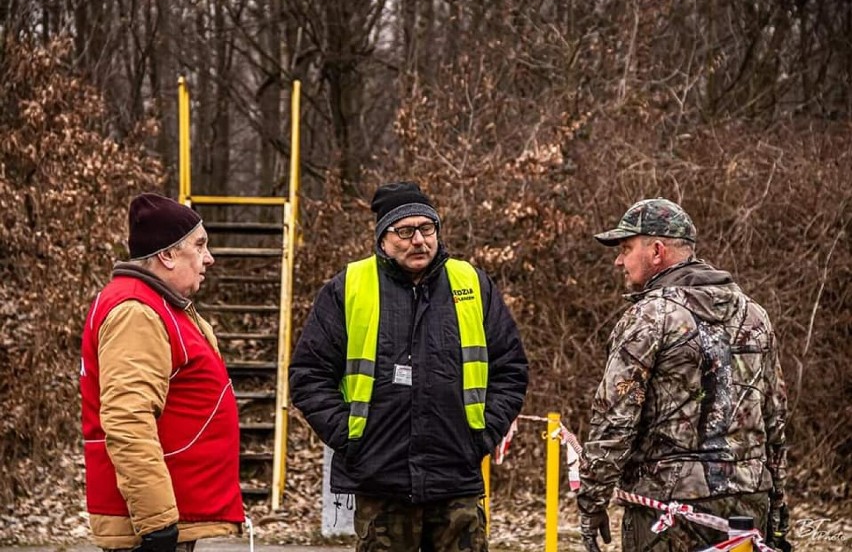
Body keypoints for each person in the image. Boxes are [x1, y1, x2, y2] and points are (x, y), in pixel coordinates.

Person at [289, 181, 529, 551]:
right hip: (381, 481)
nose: (419, 240)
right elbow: (309, 375)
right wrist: (352, 438)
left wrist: (480, 436)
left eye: (427, 228)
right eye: (405, 231)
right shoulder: (349, 287)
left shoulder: (471, 283)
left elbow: (510, 368)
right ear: (383, 238)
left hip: (456, 479)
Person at [578, 198, 790, 552]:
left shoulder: (649, 317)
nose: (619, 260)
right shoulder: (755, 315)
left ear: (657, 250)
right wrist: (779, 510)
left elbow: (614, 419)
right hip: (750, 501)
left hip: (668, 509)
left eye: (626, 248)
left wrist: (592, 502)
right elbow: (776, 419)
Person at [80, 193, 244, 552]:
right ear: (167, 255)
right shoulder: (136, 312)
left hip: (170, 515)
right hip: (151, 526)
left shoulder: (159, 305)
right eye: (199, 246)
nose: (209, 258)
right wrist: (157, 524)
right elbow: (127, 419)